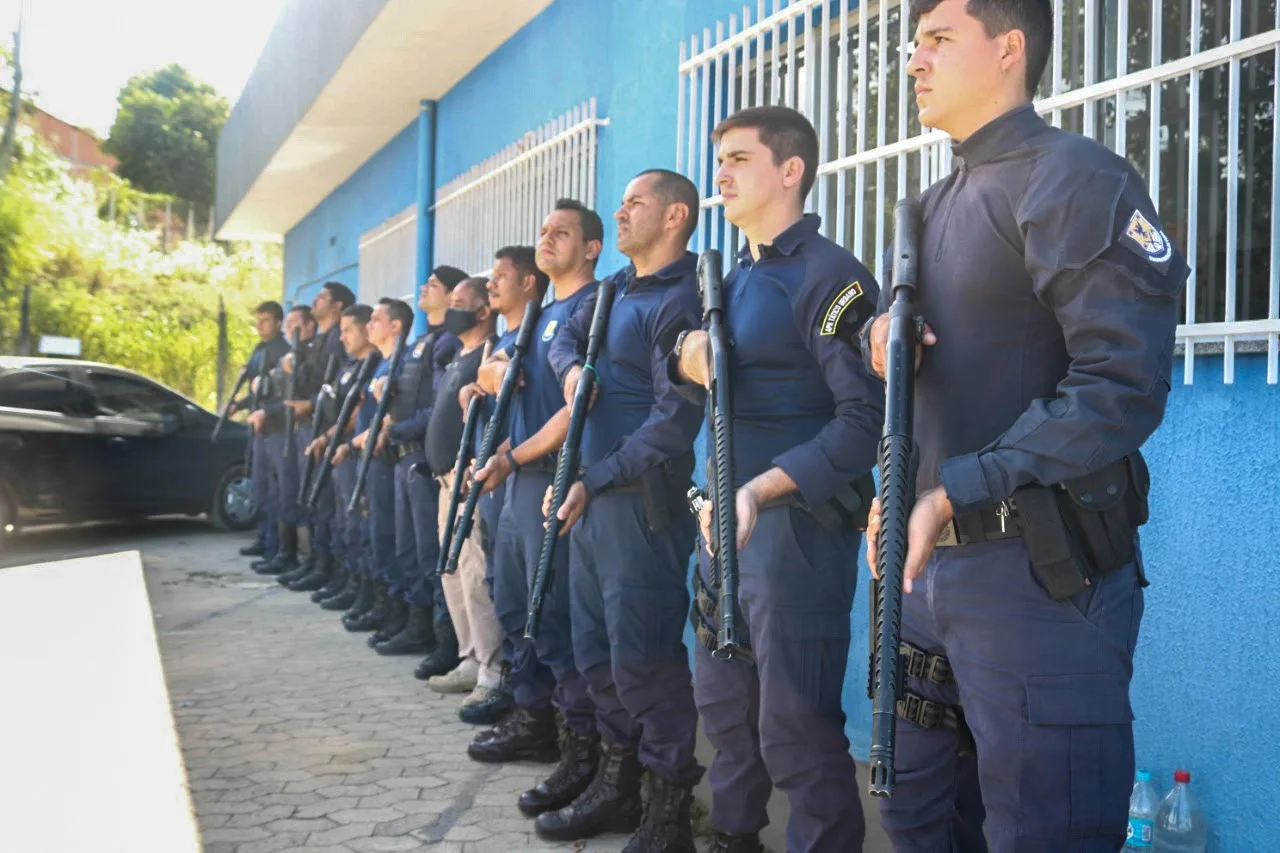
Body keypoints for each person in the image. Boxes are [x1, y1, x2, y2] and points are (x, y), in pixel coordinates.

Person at [860, 1, 1185, 850]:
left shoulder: (1073, 179)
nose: (913, 60)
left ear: (1008, 49)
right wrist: (882, 351)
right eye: (914, 43)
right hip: (925, 575)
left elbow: (1121, 384)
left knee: (1046, 831)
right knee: (920, 819)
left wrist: (955, 488)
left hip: (1038, 581)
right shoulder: (929, 206)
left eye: (938, 39)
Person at [670, 105, 884, 853]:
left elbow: (864, 421)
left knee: (792, 725)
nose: (719, 173)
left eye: (737, 159)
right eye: (717, 158)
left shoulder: (828, 276)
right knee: (725, 712)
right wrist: (686, 351)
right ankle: (733, 838)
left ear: (790, 170)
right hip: (725, 531)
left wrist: (764, 489)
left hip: (793, 533)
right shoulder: (734, 275)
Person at [538, 169, 705, 849]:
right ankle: (618, 784)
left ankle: (669, 811)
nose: (622, 209)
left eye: (636, 202)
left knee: (644, 658)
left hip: (640, 506)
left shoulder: (685, 300)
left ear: (675, 217)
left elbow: (675, 419)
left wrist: (596, 476)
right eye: (622, 199)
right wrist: (574, 370)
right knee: (594, 650)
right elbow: (559, 339)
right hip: (590, 501)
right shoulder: (611, 291)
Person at [465, 201, 600, 768]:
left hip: (556, 479)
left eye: (561, 232)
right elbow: (490, 369)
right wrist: (493, 374)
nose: (546, 239)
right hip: (516, 477)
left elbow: (579, 405)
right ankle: (533, 717)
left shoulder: (595, 304)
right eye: (543, 230)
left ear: (591, 248)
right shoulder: (539, 308)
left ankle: (579, 741)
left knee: (555, 614)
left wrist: (516, 453)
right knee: (516, 603)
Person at [447, 246, 544, 727]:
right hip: (498, 477)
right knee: (502, 588)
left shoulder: (544, 327)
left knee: (531, 600)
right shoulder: (507, 336)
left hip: (527, 477)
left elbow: (530, 402)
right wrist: (475, 386)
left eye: (501, 276)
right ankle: (520, 700)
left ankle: (537, 711)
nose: (491, 284)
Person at [420, 276, 507, 709]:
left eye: (459, 302)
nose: (450, 308)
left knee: (474, 573)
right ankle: (469, 656)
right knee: (451, 571)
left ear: (481, 311)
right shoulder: (458, 355)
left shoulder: (490, 354)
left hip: (467, 478)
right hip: (444, 480)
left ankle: (492, 670)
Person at [371, 267, 465, 657]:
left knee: (431, 553)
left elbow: (436, 409)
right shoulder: (420, 344)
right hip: (402, 458)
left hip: (422, 459)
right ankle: (416, 623)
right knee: (409, 548)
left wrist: (395, 429)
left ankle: (442, 638)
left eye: (434, 286)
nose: (424, 290)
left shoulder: (445, 345)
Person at [342, 299, 413, 636]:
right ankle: (383, 605)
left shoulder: (401, 363)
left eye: (376, 320)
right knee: (375, 537)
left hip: (386, 460)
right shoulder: (380, 363)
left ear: (396, 326)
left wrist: (360, 441)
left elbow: (392, 416)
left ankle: (399, 613)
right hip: (369, 458)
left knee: (387, 537)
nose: (369, 326)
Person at [280, 281, 356, 593]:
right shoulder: (318, 342)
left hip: (330, 430)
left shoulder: (337, 343)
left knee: (329, 507)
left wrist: (309, 404)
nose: (315, 300)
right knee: (314, 502)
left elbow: (333, 393)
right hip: (313, 430)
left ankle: (332, 570)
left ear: (337, 306)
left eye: (323, 297)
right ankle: (317, 562)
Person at [308, 303, 377, 612]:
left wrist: (328, 437)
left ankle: (364, 591)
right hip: (339, 451)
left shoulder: (373, 365)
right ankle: (346, 580)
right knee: (342, 522)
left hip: (355, 452)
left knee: (358, 525)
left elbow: (355, 415)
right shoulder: (350, 365)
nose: (343, 337)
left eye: (349, 330)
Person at [248, 304, 317, 576]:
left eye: (294, 324)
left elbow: (300, 396)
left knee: (291, 495)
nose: (290, 330)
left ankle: (295, 555)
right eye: (288, 324)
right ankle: (280, 549)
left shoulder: (305, 356)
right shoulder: (286, 354)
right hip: (280, 427)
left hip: (290, 429)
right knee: (273, 491)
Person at [233, 301, 290, 559]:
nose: (259, 325)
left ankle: (277, 546)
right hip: (260, 427)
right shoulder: (260, 349)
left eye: (265, 320)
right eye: (258, 320)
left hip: (276, 427)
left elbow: (282, 391)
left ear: (278, 323)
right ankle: (265, 538)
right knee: (260, 486)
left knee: (276, 489)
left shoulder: (283, 351)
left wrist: (266, 411)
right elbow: (255, 391)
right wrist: (239, 404)